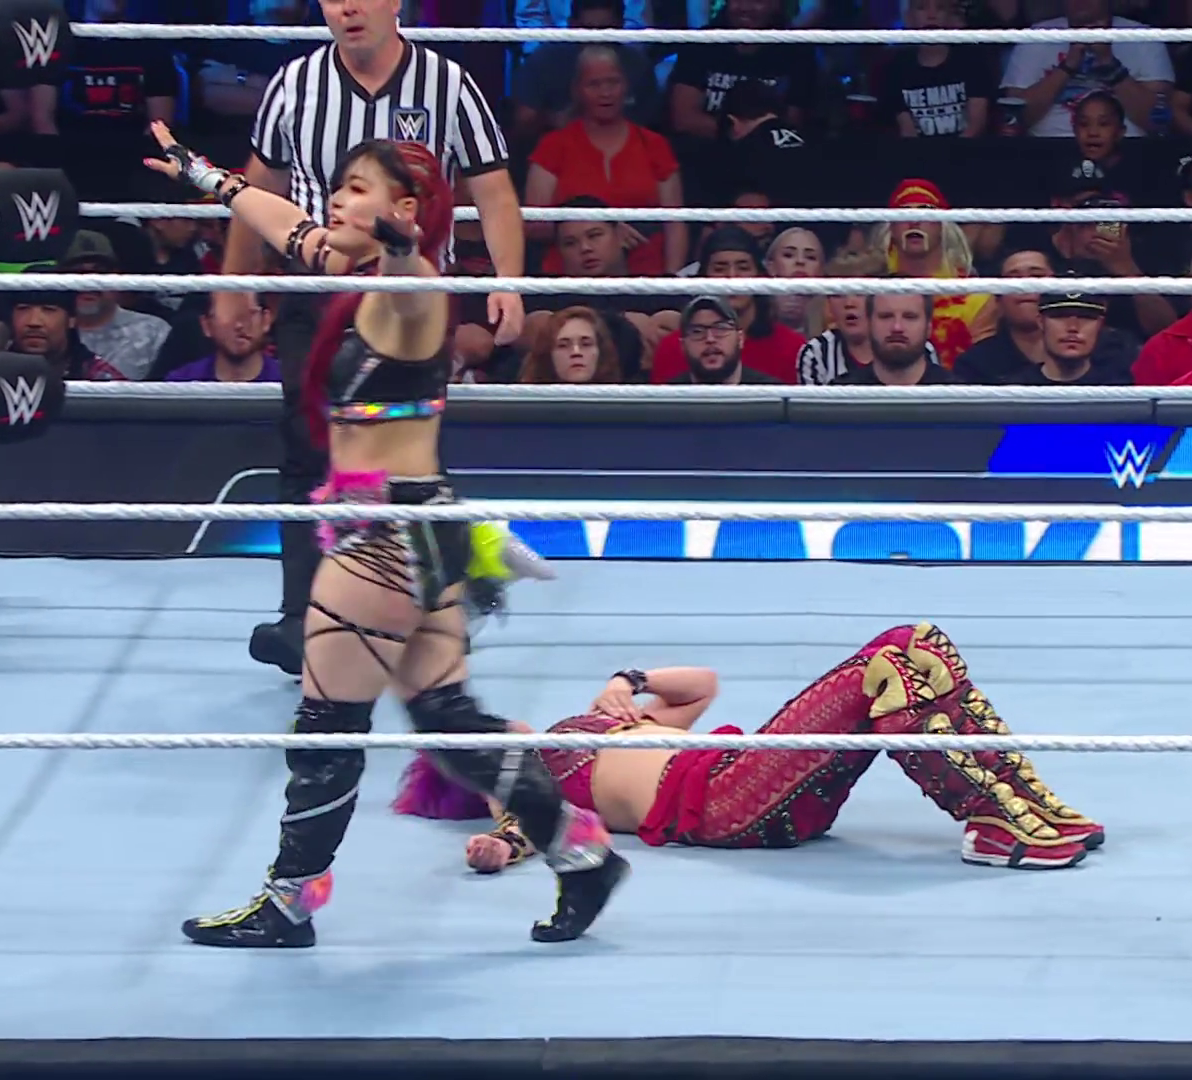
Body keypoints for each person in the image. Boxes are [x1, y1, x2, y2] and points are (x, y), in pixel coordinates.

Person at [144, 123, 627, 949]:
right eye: (337, 187)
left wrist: (403, 242)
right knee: (445, 719)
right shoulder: (351, 267)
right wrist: (209, 178)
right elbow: (284, 223)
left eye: (356, 189)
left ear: (403, 208)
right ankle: (580, 852)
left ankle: (290, 900)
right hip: (421, 527)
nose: (335, 200)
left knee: (327, 724)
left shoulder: (414, 289)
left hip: (382, 540)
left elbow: (408, 281)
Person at [230, 0, 530, 677]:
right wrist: (234, 284)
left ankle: (438, 605)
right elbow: (261, 191)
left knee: (405, 450)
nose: (348, 7)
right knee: (307, 450)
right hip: (315, 292)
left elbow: (493, 191)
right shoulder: (295, 84)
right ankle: (304, 616)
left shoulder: (446, 83)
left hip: (408, 300)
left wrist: (508, 282)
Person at [395, 624, 1103, 869]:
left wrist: (629, 680)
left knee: (917, 648)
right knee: (889, 662)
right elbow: (519, 828)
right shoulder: (520, 779)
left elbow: (701, 687)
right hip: (725, 803)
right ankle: (994, 825)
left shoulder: (591, 725)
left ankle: (1026, 805)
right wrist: (496, 846)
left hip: (747, 771)